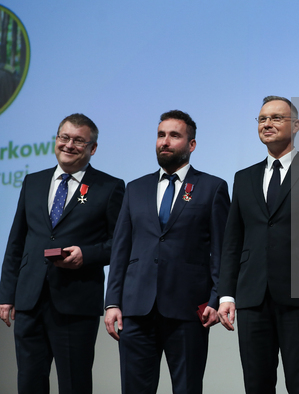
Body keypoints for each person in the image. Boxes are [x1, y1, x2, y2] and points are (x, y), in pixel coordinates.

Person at [217, 96, 299, 394]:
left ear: (296, 125)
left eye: (276, 118)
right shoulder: (244, 177)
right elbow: (233, 240)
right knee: (256, 385)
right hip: (251, 298)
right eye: (262, 119)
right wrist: (226, 294)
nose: (267, 124)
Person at [104, 110, 230, 394]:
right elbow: (121, 250)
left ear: (191, 144)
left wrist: (216, 296)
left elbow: (223, 250)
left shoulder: (213, 188)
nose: (165, 141)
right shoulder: (135, 189)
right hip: (136, 308)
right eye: (161, 135)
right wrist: (112, 302)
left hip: (187, 309)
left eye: (174, 135)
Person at [0, 113, 125, 394]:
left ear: (92, 148)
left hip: (76, 301)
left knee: (74, 383)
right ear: (56, 140)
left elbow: (119, 244)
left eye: (78, 140)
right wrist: (6, 295)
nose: (69, 145)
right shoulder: (33, 182)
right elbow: (16, 242)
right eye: (64, 137)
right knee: (29, 381)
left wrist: (87, 255)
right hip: (30, 299)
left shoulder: (110, 187)